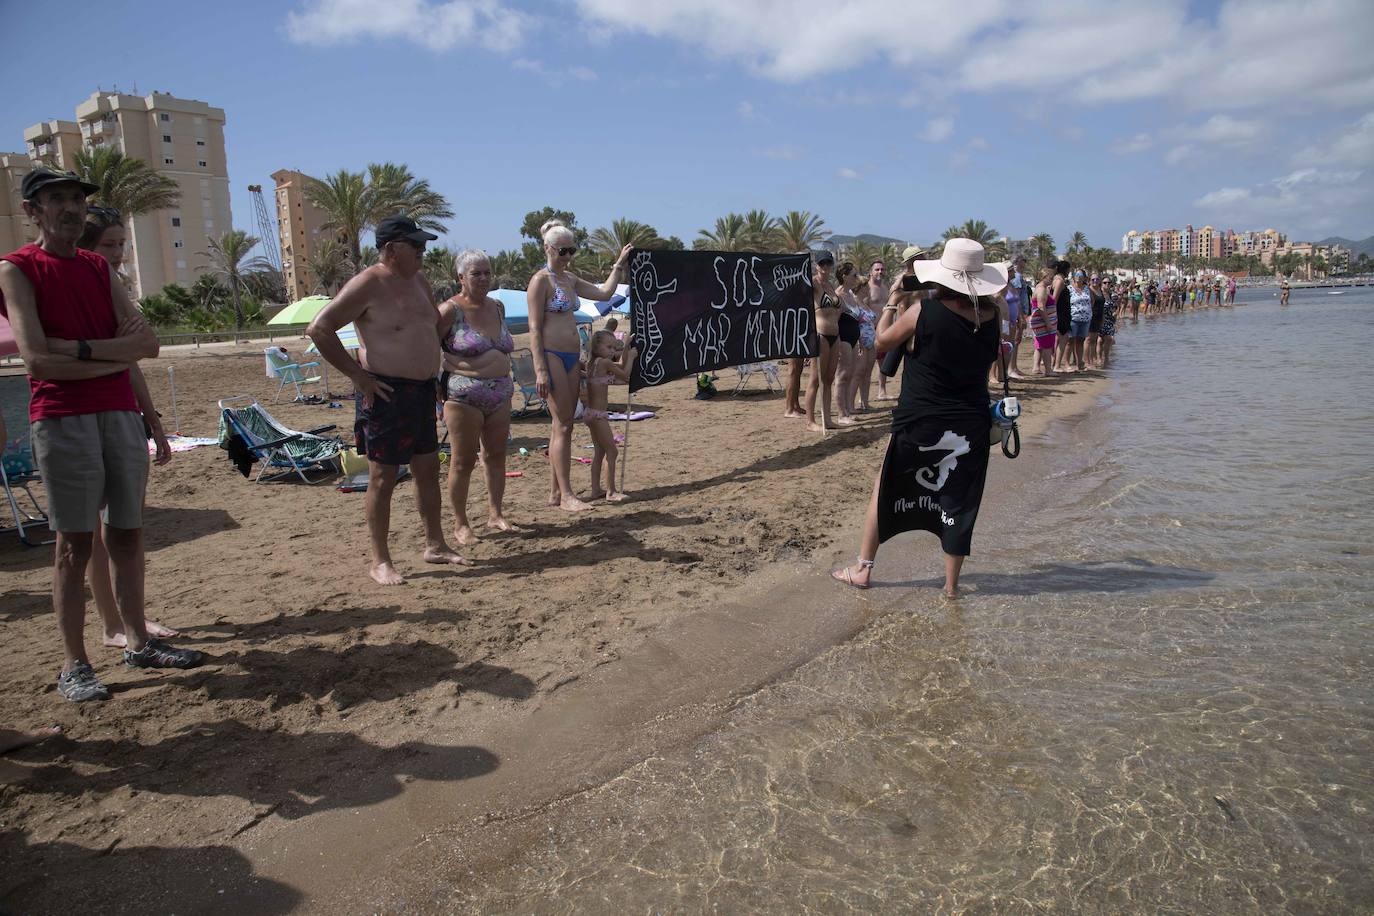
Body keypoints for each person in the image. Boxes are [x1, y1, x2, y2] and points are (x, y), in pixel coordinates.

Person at [0, 168, 205, 701]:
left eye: (76, 199)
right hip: (62, 417)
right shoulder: (18, 269)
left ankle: (138, 642)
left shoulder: (96, 267)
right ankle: (75, 664)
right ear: (33, 211)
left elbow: (149, 344)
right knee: (74, 543)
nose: (70, 208)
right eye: (56, 199)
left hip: (118, 414)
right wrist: (105, 354)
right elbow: (37, 359)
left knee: (128, 533)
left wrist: (78, 349)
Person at [831, 239, 1005, 598]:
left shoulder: (924, 311)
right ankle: (952, 587)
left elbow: (881, 342)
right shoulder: (992, 317)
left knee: (887, 485)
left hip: (920, 418)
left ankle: (863, 569)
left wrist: (893, 301)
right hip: (969, 422)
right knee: (960, 498)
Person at [308, 215, 468, 585]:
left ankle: (435, 544)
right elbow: (319, 328)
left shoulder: (420, 281)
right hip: (385, 392)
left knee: (427, 471)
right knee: (383, 477)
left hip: (422, 391)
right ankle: (380, 559)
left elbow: (427, 330)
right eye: (416, 246)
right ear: (392, 249)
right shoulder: (368, 283)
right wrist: (358, 376)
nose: (423, 252)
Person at [75, 205, 178, 647]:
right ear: (85, 246)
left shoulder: (115, 289)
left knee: (124, 526)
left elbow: (137, 355)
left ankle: (130, 620)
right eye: (108, 245)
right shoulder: (79, 289)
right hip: (82, 417)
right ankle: (112, 624)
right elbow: (126, 350)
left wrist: (152, 419)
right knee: (96, 535)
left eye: (122, 244)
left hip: (124, 414)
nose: (118, 253)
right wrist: (116, 348)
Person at [526, 219, 631, 511]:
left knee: (561, 426)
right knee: (564, 425)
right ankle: (568, 496)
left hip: (573, 355)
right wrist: (540, 369)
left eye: (572, 250)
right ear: (548, 248)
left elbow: (605, 293)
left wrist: (618, 264)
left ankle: (555, 492)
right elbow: (534, 328)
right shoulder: (540, 281)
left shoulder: (569, 280)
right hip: (552, 354)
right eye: (562, 251)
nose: (568, 257)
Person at [437, 249, 519, 547]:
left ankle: (495, 514)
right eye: (476, 273)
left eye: (487, 272)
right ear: (460, 277)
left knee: (496, 456)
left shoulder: (498, 307)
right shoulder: (449, 311)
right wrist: (450, 370)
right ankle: (460, 523)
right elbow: (431, 348)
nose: (483, 278)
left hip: (501, 393)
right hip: (463, 396)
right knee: (462, 461)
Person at [582, 322, 637, 501]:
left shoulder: (593, 363)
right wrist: (633, 356)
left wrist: (626, 347)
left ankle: (596, 489)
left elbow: (619, 367)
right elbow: (625, 373)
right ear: (597, 347)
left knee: (599, 452)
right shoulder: (604, 362)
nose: (612, 351)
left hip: (590, 413)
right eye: (609, 347)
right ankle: (611, 491)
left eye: (614, 348)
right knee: (612, 452)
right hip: (598, 416)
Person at [805, 251, 842, 432]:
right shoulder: (813, 283)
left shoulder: (831, 285)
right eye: (822, 264)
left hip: (835, 335)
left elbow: (839, 309)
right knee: (815, 378)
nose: (825, 267)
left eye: (828, 263)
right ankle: (810, 421)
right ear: (816, 265)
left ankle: (827, 419)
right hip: (820, 334)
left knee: (828, 379)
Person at [832, 261, 862, 425]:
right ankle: (841, 414)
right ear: (844, 277)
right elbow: (835, 321)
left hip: (854, 338)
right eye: (854, 275)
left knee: (850, 374)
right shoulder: (838, 295)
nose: (856, 278)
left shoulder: (851, 293)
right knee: (842, 375)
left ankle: (847, 409)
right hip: (843, 339)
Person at [868, 259, 893, 400]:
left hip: (884, 329)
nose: (880, 272)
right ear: (870, 272)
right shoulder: (866, 288)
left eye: (882, 269)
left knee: (883, 362)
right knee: (867, 363)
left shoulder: (885, 287)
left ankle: (882, 391)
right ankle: (862, 397)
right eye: (877, 269)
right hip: (870, 329)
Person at [1028, 265, 1058, 376]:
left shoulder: (1043, 288)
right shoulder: (1041, 289)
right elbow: (1041, 307)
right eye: (1051, 277)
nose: (1052, 280)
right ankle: (1048, 371)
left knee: (1041, 345)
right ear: (1044, 277)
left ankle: (1037, 368)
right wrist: (1048, 323)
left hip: (1043, 322)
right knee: (1047, 346)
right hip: (1043, 322)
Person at [1004, 255, 1029, 379]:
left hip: (1014, 319)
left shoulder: (1012, 285)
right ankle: (1010, 368)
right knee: (1009, 344)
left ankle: (1013, 367)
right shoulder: (1011, 283)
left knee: (1013, 343)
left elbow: (1017, 301)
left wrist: (1021, 317)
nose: (1014, 271)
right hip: (1007, 320)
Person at [1067, 270, 1092, 371]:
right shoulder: (1069, 288)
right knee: (1070, 341)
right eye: (1076, 275)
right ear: (1073, 277)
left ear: (1084, 278)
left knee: (1081, 341)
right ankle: (1067, 364)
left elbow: (1092, 301)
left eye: (1081, 275)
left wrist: (1088, 312)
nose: (1078, 277)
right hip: (1073, 318)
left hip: (1085, 319)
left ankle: (1079, 364)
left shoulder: (1087, 288)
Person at [1098, 275, 1119, 368]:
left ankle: (1106, 358)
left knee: (1108, 339)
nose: (1107, 284)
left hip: (1109, 320)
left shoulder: (1112, 295)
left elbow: (1115, 307)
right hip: (1099, 320)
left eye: (1109, 283)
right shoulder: (1098, 294)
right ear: (1101, 284)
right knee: (1099, 341)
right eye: (1105, 282)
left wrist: (1115, 314)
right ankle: (1098, 358)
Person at [1086, 273, 1106, 368]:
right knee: (1088, 340)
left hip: (1098, 318)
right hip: (1090, 317)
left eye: (1097, 279)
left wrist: (1102, 318)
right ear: (1090, 280)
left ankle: (1092, 359)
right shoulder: (1089, 290)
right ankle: (1087, 361)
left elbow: (1102, 306)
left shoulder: (1100, 291)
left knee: (1094, 340)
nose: (1095, 281)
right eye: (1093, 279)